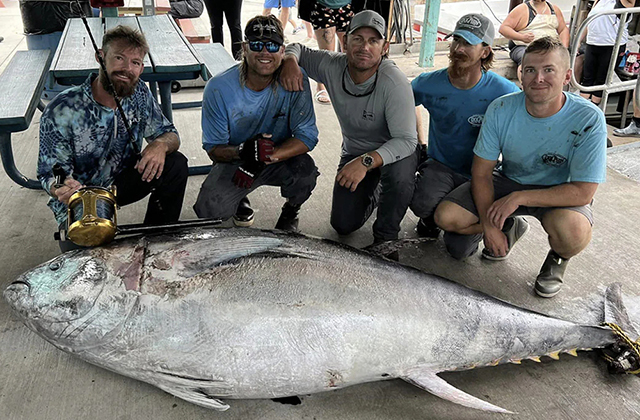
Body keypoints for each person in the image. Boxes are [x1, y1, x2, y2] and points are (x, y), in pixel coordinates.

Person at [434, 37, 607, 298]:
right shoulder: (501, 109)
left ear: (567, 76)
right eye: (530, 70)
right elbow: (481, 172)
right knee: (447, 220)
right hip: (509, 179)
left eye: (549, 70)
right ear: (520, 74)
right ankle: (508, 226)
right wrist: (490, 227)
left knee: (573, 233)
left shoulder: (589, 118)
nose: (538, 78)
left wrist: (520, 198)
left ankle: (558, 259)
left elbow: (583, 192)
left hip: (559, 191)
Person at [37, 25, 188, 252]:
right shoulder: (62, 108)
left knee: (175, 163)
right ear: (101, 56)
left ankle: (157, 240)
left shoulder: (140, 93)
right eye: (119, 58)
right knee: (88, 263)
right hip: (80, 196)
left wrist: (159, 144)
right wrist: (60, 187)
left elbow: (170, 134)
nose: (127, 69)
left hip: (121, 183)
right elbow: (49, 173)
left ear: (141, 68)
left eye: (135, 63)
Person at [281, 10, 418, 256]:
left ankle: (386, 236)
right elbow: (297, 48)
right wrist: (290, 61)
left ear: (384, 47)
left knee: (400, 177)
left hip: (394, 152)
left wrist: (365, 163)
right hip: (355, 151)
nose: (364, 47)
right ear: (345, 42)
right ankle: (376, 189)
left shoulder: (394, 81)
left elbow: (407, 141)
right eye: (358, 39)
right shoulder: (332, 65)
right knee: (343, 225)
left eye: (373, 41)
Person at [194, 15, 319, 232]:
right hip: (235, 160)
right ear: (244, 48)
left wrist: (265, 157)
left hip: (279, 156)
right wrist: (244, 153)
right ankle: (239, 197)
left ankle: (291, 210)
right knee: (209, 210)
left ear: (282, 50)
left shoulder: (295, 79)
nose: (264, 52)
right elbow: (214, 149)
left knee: (305, 173)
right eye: (256, 44)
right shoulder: (218, 88)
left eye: (272, 45)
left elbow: (307, 137)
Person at [411, 14, 520, 246]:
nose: (459, 48)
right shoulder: (428, 83)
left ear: (485, 51)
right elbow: (402, 104)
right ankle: (431, 218)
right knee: (421, 203)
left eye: (468, 43)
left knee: (458, 250)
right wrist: (420, 143)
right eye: (456, 40)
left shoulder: (504, 91)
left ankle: (508, 224)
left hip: (480, 175)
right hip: (440, 165)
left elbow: (526, 125)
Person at [580, 0, 635, 105]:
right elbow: (589, 21)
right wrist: (578, 41)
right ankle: (581, 109)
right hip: (592, 43)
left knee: (601, 80)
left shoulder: (624, 2)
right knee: (587, 79)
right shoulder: (599, 1)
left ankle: (593, 109)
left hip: (612, 45)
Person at [499, 0, 569, 79]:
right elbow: (503, 28)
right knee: (527, 58)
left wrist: (563, 48)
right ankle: (525, 86)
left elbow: (563, 29)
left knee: (557, 60)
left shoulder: (554, 9)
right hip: (524, 46)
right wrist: (521, 37)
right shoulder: (522, 9)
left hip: (549, 46)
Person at [307, 0, 354, 104]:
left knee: (350, 51)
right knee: (327, 53)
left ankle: (347, 84)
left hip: (347, 5)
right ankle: (321, 86)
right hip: (322, 5)